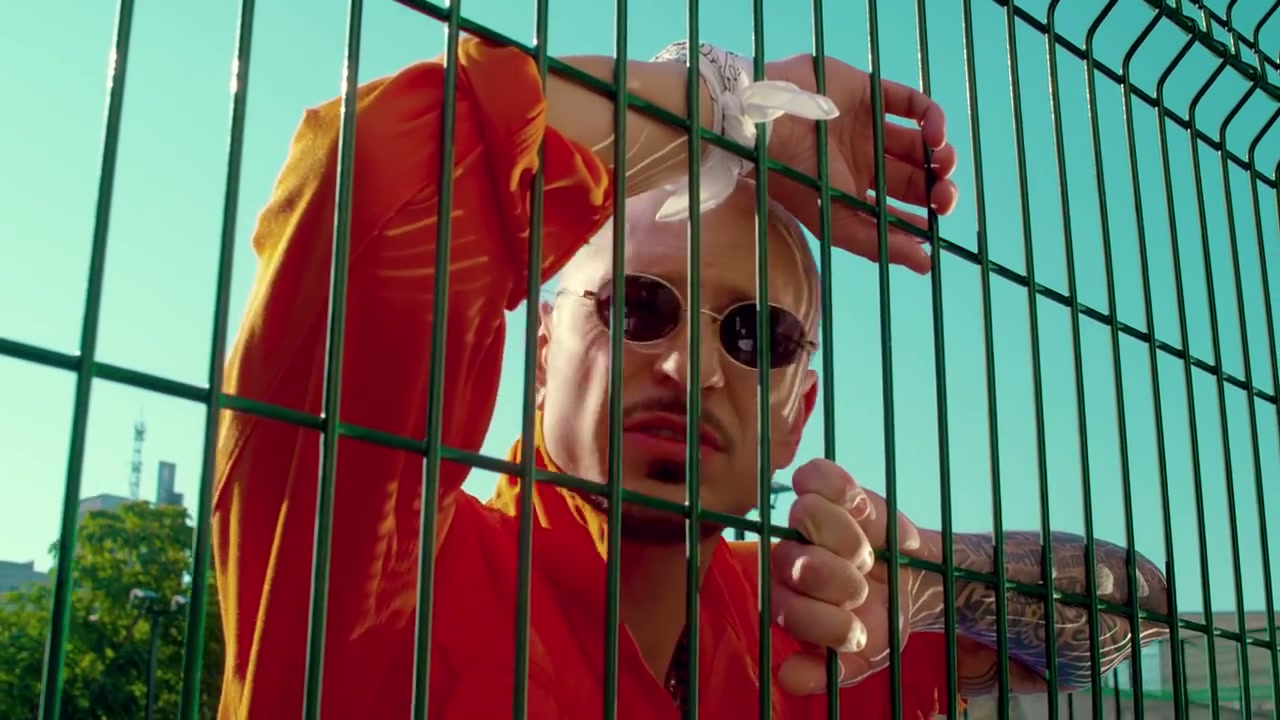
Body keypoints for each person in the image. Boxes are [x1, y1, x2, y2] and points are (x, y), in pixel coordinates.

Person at [212, 35, 1170, 719]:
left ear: (798, 414)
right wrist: (728, 118)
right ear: (543, 355)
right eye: (637, 306)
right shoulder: (391, 585)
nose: (692, 367)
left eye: (757, 335)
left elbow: (1136, 610)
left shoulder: (812, 631)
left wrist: (928, 581)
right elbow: (375, 178)